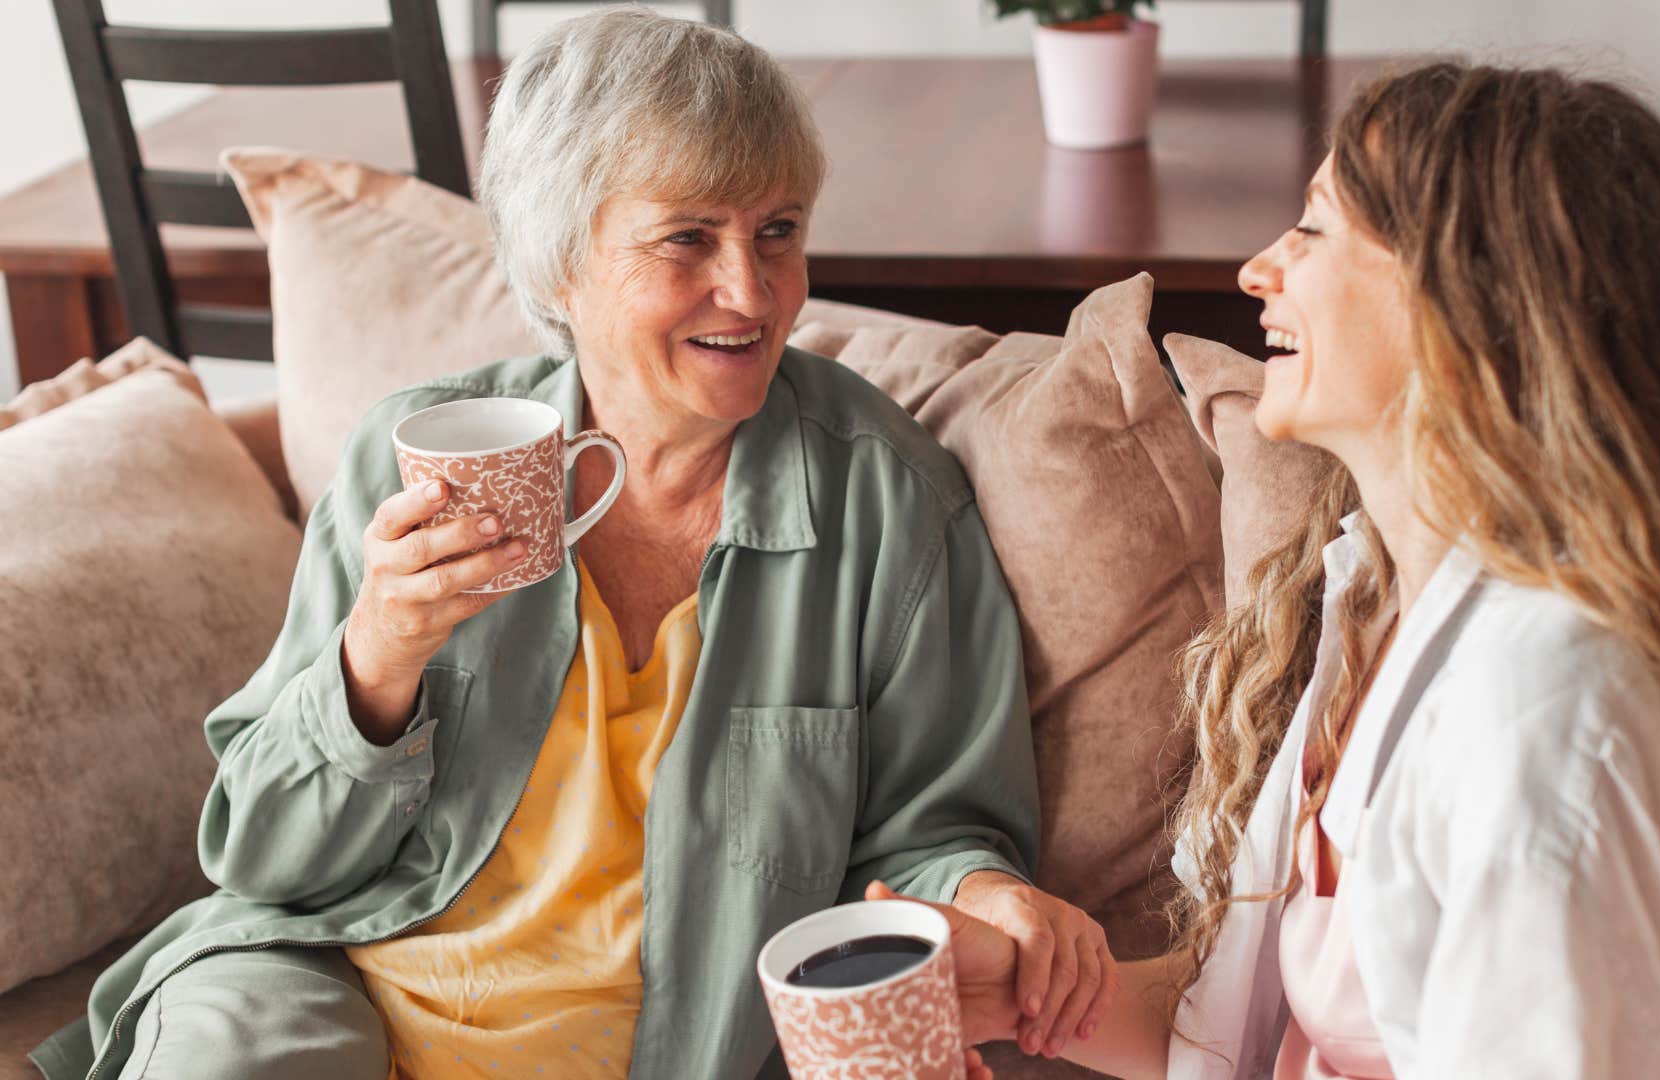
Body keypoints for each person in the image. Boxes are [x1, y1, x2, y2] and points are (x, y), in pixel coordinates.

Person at [31, 9, 1113, 1080]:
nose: (754, 291)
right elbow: (260, 858)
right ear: (559, 266)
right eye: (689, 236)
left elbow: (931, 836)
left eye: (777, 231)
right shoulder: (411, 468)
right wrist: (378, 659)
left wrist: (991, 895)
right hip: (325, 981)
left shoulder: (891, 506)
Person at [898, 60, 1660, 1079]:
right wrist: (1020, 993)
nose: (1259, 269)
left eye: (1313, 230)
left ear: (1468, 302)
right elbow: (1241, 1032)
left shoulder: (1541, 718)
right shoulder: (1371, 602)